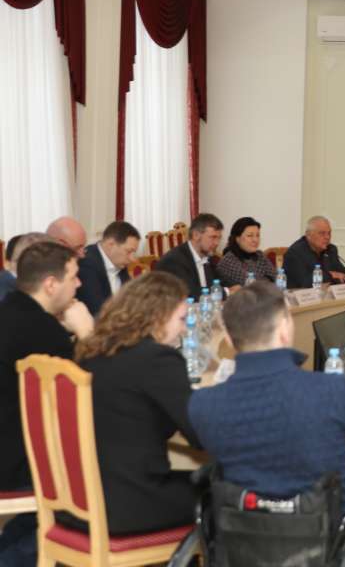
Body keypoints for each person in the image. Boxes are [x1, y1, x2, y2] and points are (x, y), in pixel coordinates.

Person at [188, 282, 345, 537]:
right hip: (330, 538)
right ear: (284, 329)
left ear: (228, 339)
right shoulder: (335, 391)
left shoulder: (202, 405)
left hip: (246, 542)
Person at [69, 272, 198, 536]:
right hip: (131, 505)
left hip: (80, 501)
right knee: (227, 490)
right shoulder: (158, 359)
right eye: (182, 319)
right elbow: (199, 435)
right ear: (159, 316)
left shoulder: (92, 352)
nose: (185, 330)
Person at [0, 242, 92, 566]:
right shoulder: (43, 330)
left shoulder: (10, 310)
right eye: (74, 276)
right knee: (100, 471)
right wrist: (87, 332)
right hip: (16, 461)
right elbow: (89, 391)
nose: (79, 283)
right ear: (51, 284)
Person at [76, 221, 141, 315]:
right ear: (111, 245)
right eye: (129, 251)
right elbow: (98, 311)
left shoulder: (119, 262)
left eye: (134, 253)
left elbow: (132, 301)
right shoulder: (87, 264)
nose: (133, 259)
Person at [154, 213, 223, 299]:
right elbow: (190, 294)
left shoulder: (209, 258)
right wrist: (226, 292)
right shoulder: (174, 260)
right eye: (213, 237)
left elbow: (220, 283)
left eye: (219, 238)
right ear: (196, 235)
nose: (217, 243)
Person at [283, 216, 345, 289]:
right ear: (308, 235)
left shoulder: (331, 249)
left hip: (326, 295)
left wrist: (325, 278)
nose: (327, 237)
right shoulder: (295, 253)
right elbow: (305, 282)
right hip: (300, 295)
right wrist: (331, 275)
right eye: (322, 233)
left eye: (329, 233)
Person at [216, 216, 276, 288]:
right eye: (250, 236)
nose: (255, 240)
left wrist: (266, 280)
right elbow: (251, 285)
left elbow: (275, 278)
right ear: (237, 238)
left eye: (257, 235)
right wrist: (267, 279)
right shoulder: (228, 260)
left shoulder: (260, 255)